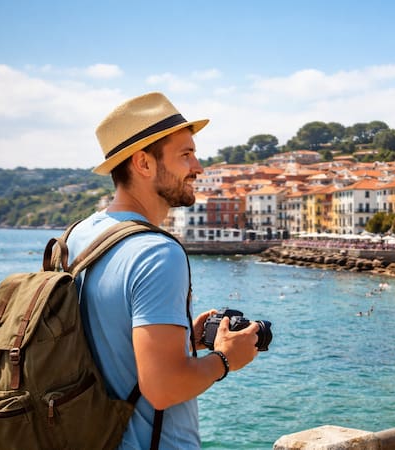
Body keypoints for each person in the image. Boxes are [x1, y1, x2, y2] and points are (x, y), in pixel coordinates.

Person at [66, 92, 260, 449]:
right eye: (186, 154)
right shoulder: (156, 252)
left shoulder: (78, 235)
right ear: (143, 164)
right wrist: (226, 359)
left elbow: (102, 343)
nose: (198, 167)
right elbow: (163, 388)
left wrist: (186, 341)